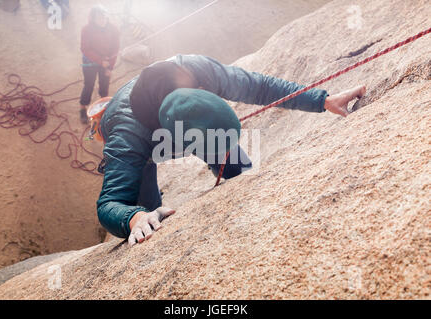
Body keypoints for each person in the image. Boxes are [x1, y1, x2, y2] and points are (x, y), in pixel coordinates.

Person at [96, 54, 366, 245]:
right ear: (177, 139)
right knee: (152, 215)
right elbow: (109, 203)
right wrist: (134, 217)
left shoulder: (195, 70)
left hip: (183, 116)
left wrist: (323, 100)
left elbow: (259, 87)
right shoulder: (128, 137)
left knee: (239, 170)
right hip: (137, 138)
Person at [79, 5, 120, 124]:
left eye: (104, 18)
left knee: (104, 85)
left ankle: (102, 108)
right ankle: (82, 108)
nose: (102, 21)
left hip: (106, 62)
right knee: (88, 85)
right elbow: (85, 48)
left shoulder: (114, 29)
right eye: (99, 18)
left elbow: (115, 49)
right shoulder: (86, 29)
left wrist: (110, 67)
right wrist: (101, 61)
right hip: (90, 62)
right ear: (93, 19)